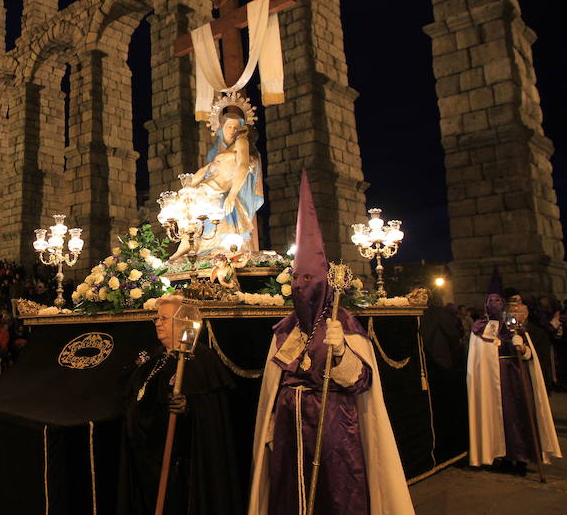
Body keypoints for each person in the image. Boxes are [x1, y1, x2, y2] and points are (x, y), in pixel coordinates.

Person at [249, 171, 413, 515]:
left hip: (334, 423)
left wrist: (341, 352)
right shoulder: (285, 330)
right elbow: (272, 386)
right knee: (288, 493)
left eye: (307, 278)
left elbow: (362, 382)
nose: (299, 285)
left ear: (324, 283)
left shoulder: (345, 324)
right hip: (289, 428)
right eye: (295, 278)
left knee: (337, 491)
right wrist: (270, 426)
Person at [118, 294, 242, 515]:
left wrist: (188, 407)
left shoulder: (201, 360)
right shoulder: (154, 358)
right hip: (147, 460)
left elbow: (213, 415)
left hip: (181, 463)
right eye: (156, 319)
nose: (158, 323)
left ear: (182, 322)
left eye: (164, 319)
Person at [467, 271, 561, 475]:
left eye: (498, 300)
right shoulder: (480, 328)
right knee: (500, 419)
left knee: (521, 416)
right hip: (493, 382)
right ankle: (503, 457)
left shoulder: (513, 325)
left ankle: (522, 459)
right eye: (491, 300)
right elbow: (478, 361)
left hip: (517, 378)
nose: (495, 304)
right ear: (485, 303)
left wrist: (522, 348)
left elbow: (530, 355)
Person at [169, 115, 263, 261]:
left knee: (212, 223)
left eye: (239, 128)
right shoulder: (221, 151)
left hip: (215, 192)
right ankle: (183, 250)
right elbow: (205, 170)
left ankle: (210, 250)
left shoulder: (241, 142)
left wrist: (232, 195)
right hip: (204, 190)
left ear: (246, 134)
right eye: (230, 127)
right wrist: (186, 188)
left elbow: (243, 167)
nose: (235, 132)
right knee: (190, 221)